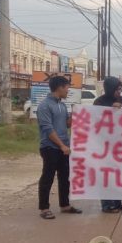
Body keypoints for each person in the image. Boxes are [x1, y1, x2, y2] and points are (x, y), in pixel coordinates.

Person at [36, 76, 82, 219]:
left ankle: (65, 205)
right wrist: (61, 145)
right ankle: (44, 208)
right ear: (60, 87)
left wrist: (75, 114)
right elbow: (48, 129)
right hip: (50, 148)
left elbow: (67, 125)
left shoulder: (62, 105)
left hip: (64, 147)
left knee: (64, 177)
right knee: (48, 177)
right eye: (67, 87)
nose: (68, 90)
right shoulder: (44, 106)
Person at [94, 76, 122, 213]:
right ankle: (107, 205)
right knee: (106, 175)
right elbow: (96, 119)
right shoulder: (99, 102)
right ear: (110, 89)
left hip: (119, 144)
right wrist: (110, 109)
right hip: (104, 144)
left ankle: (117, 202)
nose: (119, 92)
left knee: (117, 174)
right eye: (117, 89)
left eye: (120, 89)